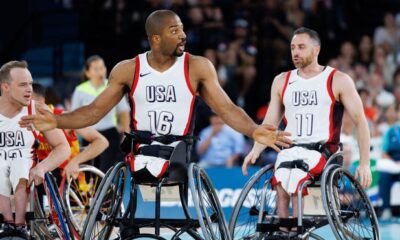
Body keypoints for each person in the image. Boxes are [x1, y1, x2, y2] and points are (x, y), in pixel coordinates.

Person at [19, 9, 291, 158]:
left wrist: (254, 130)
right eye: (175, 31)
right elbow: (93, 112)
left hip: (179, 152)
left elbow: (227, 109)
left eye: (183, 28)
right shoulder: (128, 69)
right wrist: (57, 121)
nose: (183, 35)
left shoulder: (197, 66)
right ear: (156, 38)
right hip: (141, 151)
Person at [242, 27, 372, 237]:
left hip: (322, 151)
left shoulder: (337, 79)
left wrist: (365, 162)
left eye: (301, 47)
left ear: (316, 49)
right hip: (291, 148)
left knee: (296, 179)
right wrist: (255, 150)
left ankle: (296, 230)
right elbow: (269, 122)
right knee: (281, 180)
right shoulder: (282, 81)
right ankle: (285, 231)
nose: (296, 52)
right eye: (293, 47)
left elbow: (360, 120)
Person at [0, 61, 70, 238]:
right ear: (5, 87)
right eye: (23, 84)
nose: (29, 89)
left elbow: (63, 147)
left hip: (24, 177)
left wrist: (42, 167)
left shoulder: (37, 110)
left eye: (30, 83)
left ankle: (20, 225)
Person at [32, 83, 109, 181]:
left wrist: (75, 162)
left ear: (41, 102)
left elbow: (102, 141)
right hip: (40, 175)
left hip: (67, 177)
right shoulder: (21, 121)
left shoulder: (62, 117)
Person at [71, 55, 130, 173]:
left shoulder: (113, 86)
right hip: (89, 134)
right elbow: (74, 115)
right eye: (96, 68)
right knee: (89, 172)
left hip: (110, 133)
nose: (100, 71)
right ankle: (92, 192)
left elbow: (123, 112)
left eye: (102, 67)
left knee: (106, 169)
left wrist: (126, 132)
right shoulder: (80, 90)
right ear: (88, 73)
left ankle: (107, 191)